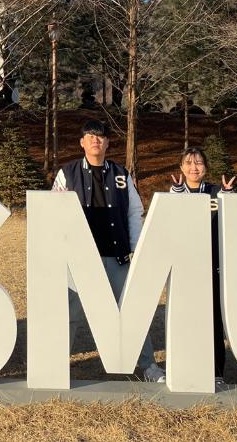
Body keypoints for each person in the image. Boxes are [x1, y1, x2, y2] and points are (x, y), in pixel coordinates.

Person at [51, 119, 166, 383]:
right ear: (82, 142)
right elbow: (54, 212)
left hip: (117, 257)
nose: (96, 140)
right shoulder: (67, 174)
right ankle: (55, 367)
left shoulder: (121, 174)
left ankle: (148, 367)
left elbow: (134, 212)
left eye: (101, 136)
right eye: (90, 136)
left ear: (107, 142)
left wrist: (136, 249)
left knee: (132, 312)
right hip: (79, 259)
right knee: (70, 313)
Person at [168, 146, 235, 385]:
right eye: (188, 162)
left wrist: (228, 196)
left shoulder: (218, 191)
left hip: (213, 268)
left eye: (198, 163)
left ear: (206, 167)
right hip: (186, 269)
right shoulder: (174, 193)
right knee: (186, 319)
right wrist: (177, 193)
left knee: (214, 321)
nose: (193, 167)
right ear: (181, 168)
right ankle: (186, 367)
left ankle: (216, 372)